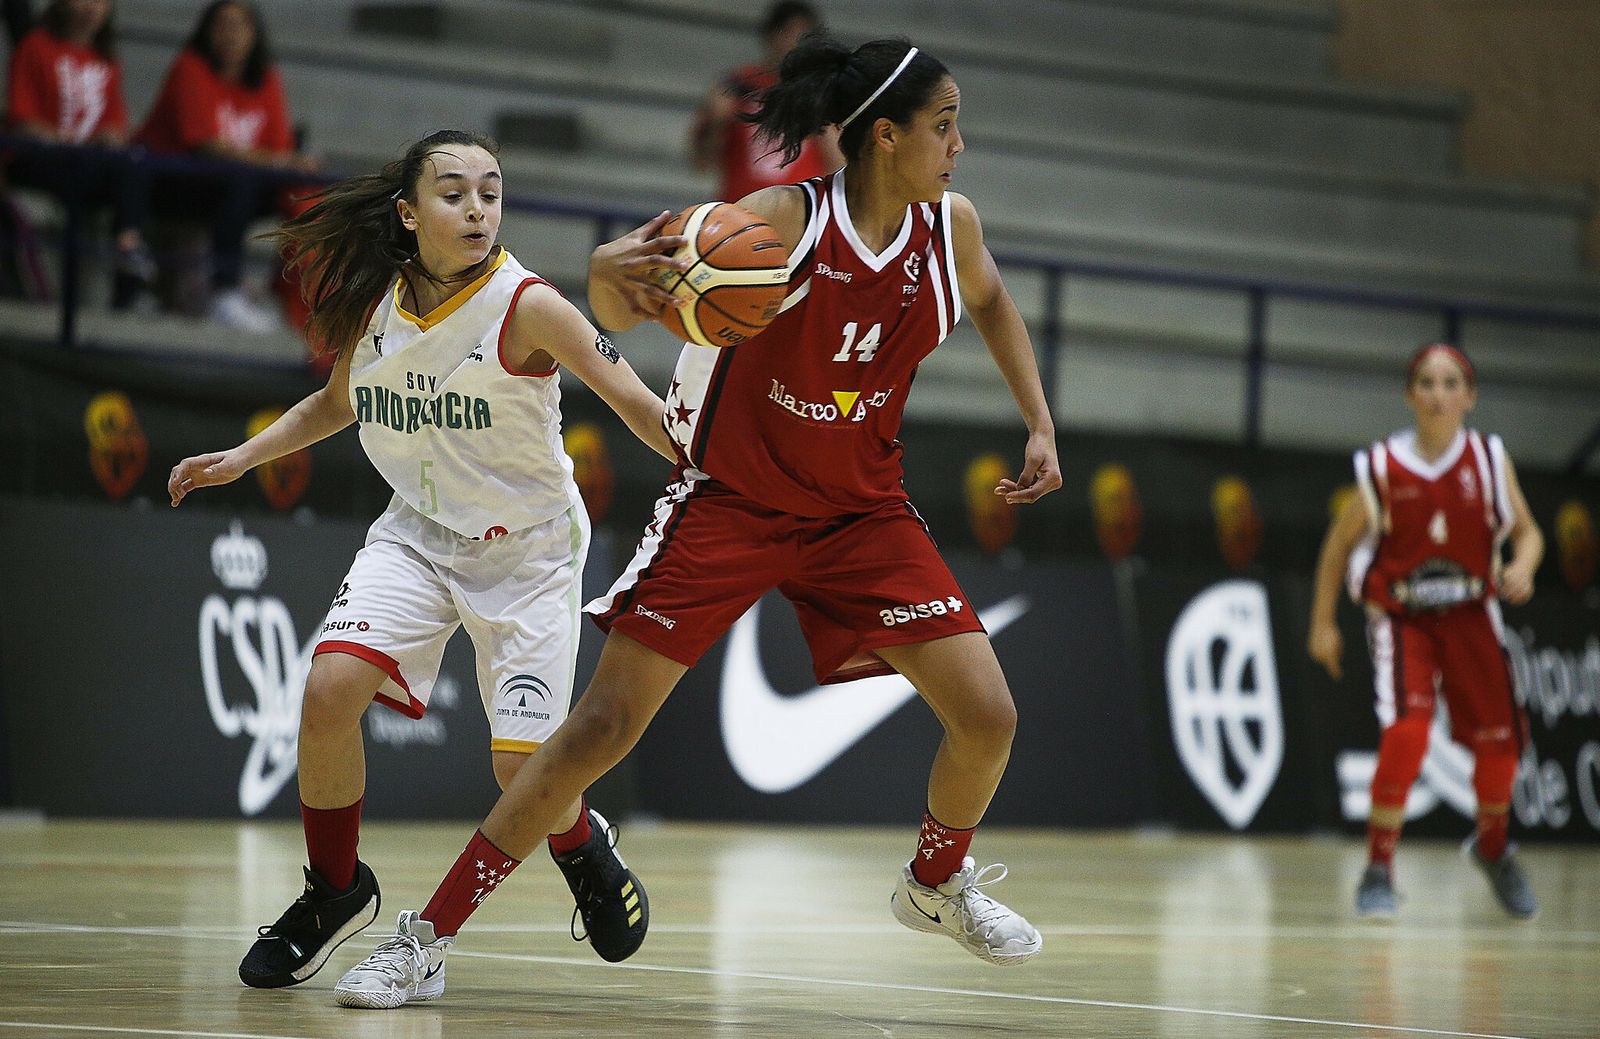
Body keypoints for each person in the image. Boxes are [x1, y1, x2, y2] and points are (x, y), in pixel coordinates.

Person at [334, 37, 1062, 1010]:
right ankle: (423, 938)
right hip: (735, 498)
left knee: (988, 716)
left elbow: (992, 299)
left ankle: (933, 885)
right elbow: (614, 298)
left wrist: (1039, 420)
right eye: (944, 126)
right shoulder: (769, 222)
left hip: (861, 510)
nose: (959, 146)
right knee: (598, 726)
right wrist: (600, 270)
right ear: (884, 137)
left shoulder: (949, 226)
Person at [167, 129, 673, 1002]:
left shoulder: (531, 305)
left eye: (491, 191)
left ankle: (577, 838)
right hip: (418, 534)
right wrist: (242, 457)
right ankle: (334, 889)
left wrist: (721, 468)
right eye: (454, 193)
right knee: (327, 693)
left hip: (531, 555)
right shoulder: (378, 305)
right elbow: (335, 404)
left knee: (522, 771)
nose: (477, 208)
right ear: (409, 213)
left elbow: (635, 401)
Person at [1308, 342, 1544, 920]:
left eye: (1450, 382)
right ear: (1411, 395)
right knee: (1407, 735)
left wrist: (1523, 567)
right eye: (1427, 383)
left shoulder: (1489, 459)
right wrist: (1322, 623)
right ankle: (1378, 868)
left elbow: (1530, 534)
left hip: (1471, 614)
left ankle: (1493, 850)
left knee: (1500, 749)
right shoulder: (1384, 466)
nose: (1439, 393)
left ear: (1470, 395)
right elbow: (1338, 545)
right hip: (1404, 616)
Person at [137, 0, 319, 331]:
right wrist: (279, 160)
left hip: (232, 184)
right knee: (242, 181)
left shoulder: (265, 78)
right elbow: (206, 146)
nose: (230, 34)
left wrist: (292, 163)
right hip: (171, 180)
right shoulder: (190, 67)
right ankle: (225, 291)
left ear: (254, 35)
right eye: (221, 25)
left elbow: (279, 148)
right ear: (206, 32)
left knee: (306, 187)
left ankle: (292, 295)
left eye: (239, 26)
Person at [4, 0, 153, 306]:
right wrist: (70, 141)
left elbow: (116, 126)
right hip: (37, 159)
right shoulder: (36, 45)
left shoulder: (106, 59)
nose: (92, 8)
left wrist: (110, 137)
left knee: (135, 164)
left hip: (86, 164)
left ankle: (128, 248)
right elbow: (22, 121)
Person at [687, 0, 842, 202]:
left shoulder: (821, 92)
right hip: (741, 210)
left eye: (804, 35)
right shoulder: (737, 86)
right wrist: (717, 121)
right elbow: (702, 163)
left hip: (800, 212)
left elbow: (839, 167)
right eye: (788, 33)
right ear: (771, 35)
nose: (795, 43)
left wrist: (821, 119)